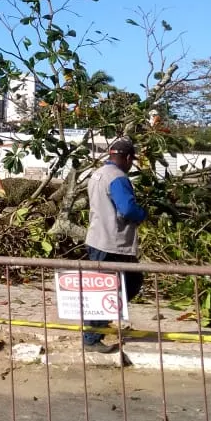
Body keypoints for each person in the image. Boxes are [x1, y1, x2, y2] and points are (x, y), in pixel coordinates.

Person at [83, 136, 147, 353]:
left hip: (97, 238)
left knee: (123, 284)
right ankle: (91, 336)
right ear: (128, 158)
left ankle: (97, 329)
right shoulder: (118, 178)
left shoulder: (97, 174)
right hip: (113, 242)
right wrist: (143, 214)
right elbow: (128, 209)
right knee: (118, 288)